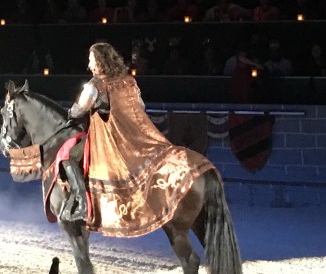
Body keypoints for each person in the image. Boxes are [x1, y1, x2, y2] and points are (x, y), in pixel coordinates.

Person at [59, 42, 213, 232]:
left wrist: (69, 114)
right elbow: (141, 106)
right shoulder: (129, 81)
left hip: (114, 139)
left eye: (91, 60)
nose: (89, 65)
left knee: (69, 156)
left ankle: (82, 204)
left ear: (99, 61)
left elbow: (79, 110)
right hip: (139, 134)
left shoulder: (95, 85)